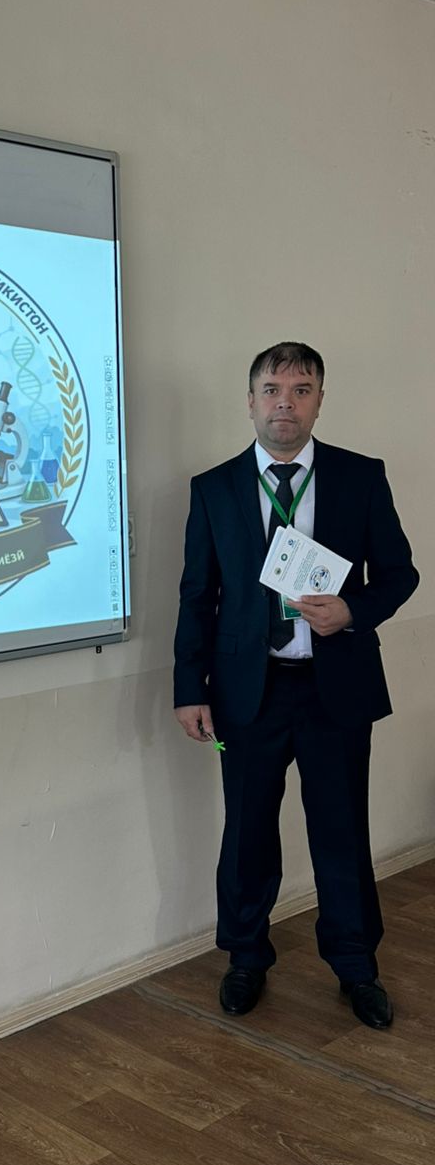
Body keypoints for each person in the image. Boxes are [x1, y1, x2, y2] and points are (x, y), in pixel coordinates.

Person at [173, 342, 418, 1029]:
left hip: (333, 689)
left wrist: (353, 610)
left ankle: (356, 966)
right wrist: (190, 687)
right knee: (247, 831)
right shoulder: (214, 488)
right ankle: (245, 957)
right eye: (272, 390)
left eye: (302, 390)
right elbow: (197, 595)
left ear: (319, 401)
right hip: (245, 695)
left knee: (341, 831)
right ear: (250, 401)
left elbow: (399, 573)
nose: (286, 403)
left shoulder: (360, 477)